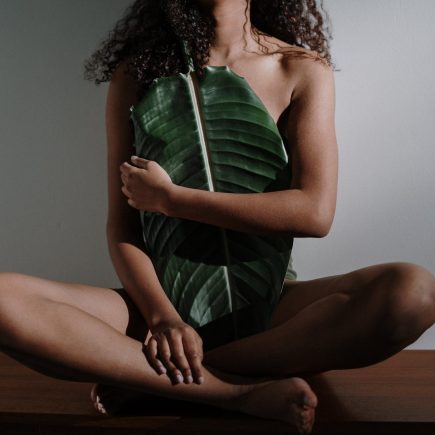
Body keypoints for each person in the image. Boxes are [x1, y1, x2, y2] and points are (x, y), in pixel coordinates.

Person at [0, 1, 434, 434]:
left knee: (414, 293)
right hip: (161, 305)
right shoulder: (137, 74)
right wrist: (163, 318)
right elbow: (123, 228)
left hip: (265, 305)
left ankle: (157, 382)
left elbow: (314, 212)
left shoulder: (299, 69)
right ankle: (236, 393)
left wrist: (173, 200)